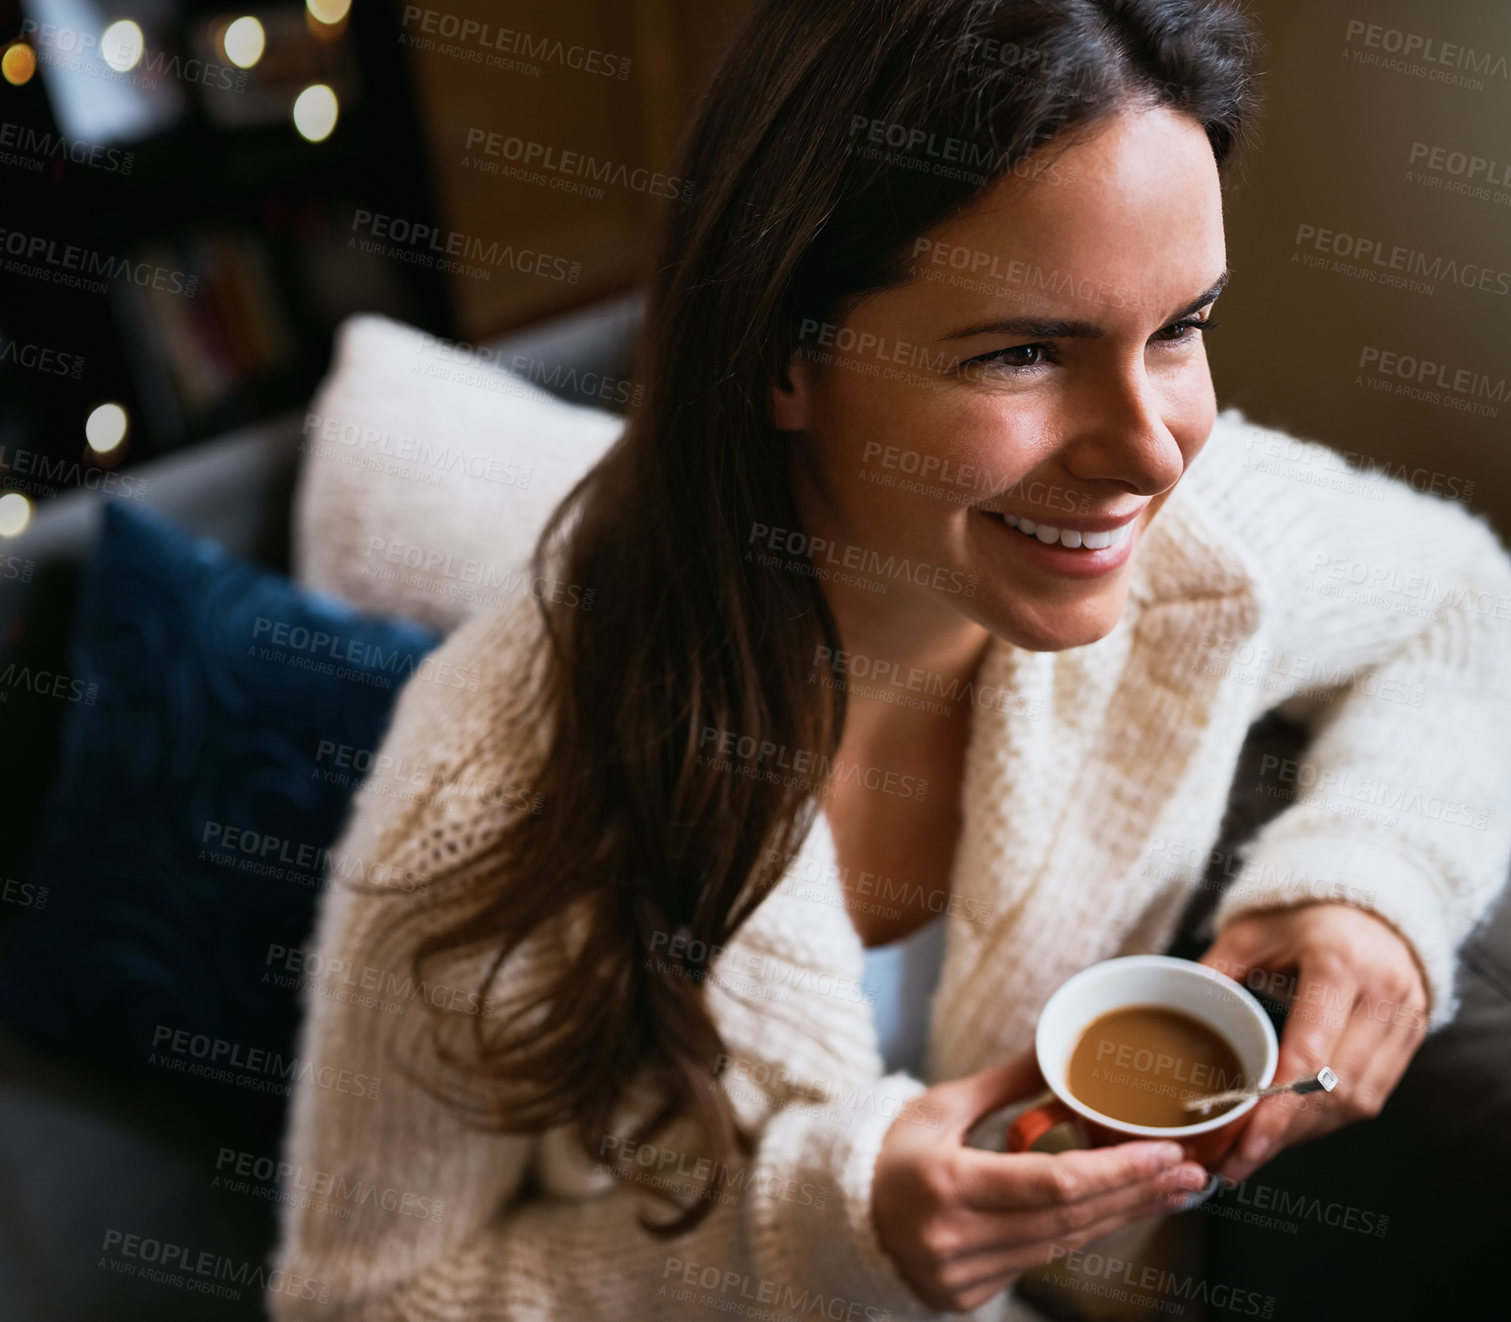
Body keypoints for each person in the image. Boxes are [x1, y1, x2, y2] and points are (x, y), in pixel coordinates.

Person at [267, 0, 1511, 1317]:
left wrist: (1376, 884)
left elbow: (1466, 601)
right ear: (786, 355)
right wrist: (827, 1233)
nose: (1153, 454)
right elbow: (359, 1302)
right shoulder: (483, 790)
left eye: (1182, 326)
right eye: (1028, 351)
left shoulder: (1206, 563)